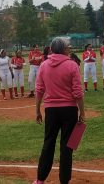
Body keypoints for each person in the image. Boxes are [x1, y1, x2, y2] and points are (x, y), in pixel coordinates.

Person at [34, 37, 85, 184]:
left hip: (51, 110)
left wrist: (37, 110)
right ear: (63, 49)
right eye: (68, 46)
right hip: (69, 110)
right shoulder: (72, 65)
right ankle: (64, 181)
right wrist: (82, 112)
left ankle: (40, 179)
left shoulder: (44, 65)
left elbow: (39, 90)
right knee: (67, 147)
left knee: (48, 143)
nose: (70, 48)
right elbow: (77, 92)